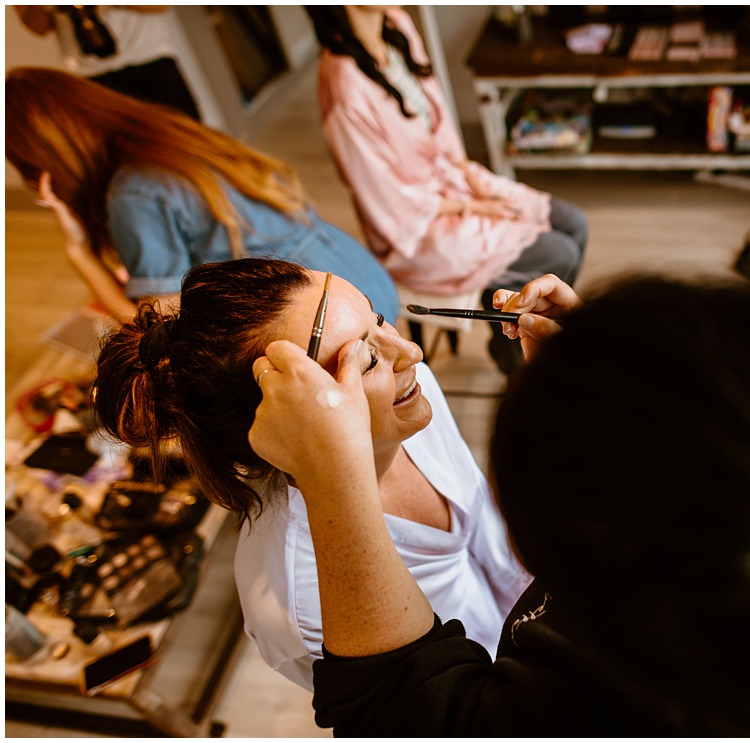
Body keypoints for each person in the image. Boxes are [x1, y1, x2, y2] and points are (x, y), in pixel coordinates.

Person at [247, 273, 750, 736]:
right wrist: (615, 377)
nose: (409, 355)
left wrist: (338, 481)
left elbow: (413, 716)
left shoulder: (634, 699)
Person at [91, 259, 529, 691]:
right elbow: (403, 712)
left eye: (377, 319)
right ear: (281, 423)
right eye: (367, 360)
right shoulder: (295, 601)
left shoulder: (411, 395)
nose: (410, 353)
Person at [305, 6, 588, 374]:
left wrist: (474, 183)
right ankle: (517, 350)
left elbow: (441, 125)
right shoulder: (343, 81)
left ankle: (520, 322)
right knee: (558, 252)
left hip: (454, 180)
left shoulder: (397, 25)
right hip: (417, 223)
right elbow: (384, 198)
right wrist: (469, 207)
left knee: (574, 222)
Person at [5, 67, 399, 326]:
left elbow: (158, 332)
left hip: (323, 317)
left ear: (45, 161)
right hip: (356, 277)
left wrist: (80, 254)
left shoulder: (132, 193)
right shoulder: (167, 136)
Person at [15, 5, 201, 120]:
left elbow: (160, 5)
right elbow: (38, 28)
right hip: (90, 73)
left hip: (149, 56)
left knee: (190, 134)